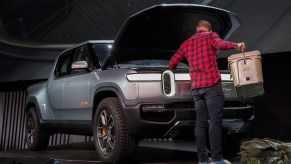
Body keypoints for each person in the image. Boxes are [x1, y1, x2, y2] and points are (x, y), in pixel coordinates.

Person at [169, 20, 245, 164]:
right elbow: (221, 44)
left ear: (197, 28)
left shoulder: (186, 43)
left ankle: (203, 160)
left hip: (196, 88)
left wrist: (174, 67)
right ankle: (217, 159)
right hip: (211, 85)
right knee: (215, 121)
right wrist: (236, 45)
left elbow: (173, 61)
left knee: (201, 123)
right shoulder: (210, 36)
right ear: (209, 29)